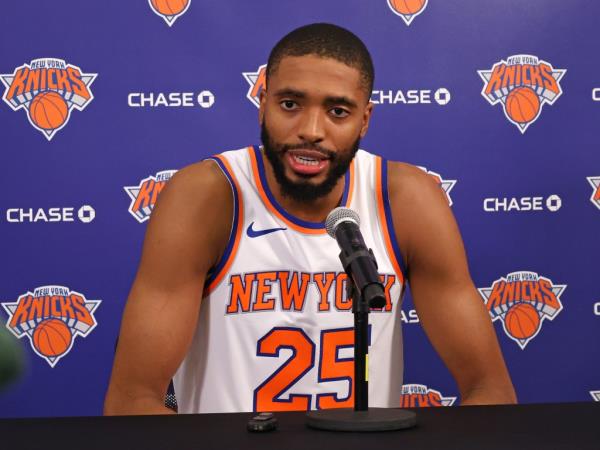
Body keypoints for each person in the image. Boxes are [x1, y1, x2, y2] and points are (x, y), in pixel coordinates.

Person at [104, 23, 516, 415]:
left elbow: (490, 388)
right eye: (290, 104)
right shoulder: (207, 197)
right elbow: (132, 400)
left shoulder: (407, 201)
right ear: (262, 104)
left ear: (365, 121)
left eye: (338, 111)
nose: (311, 130)